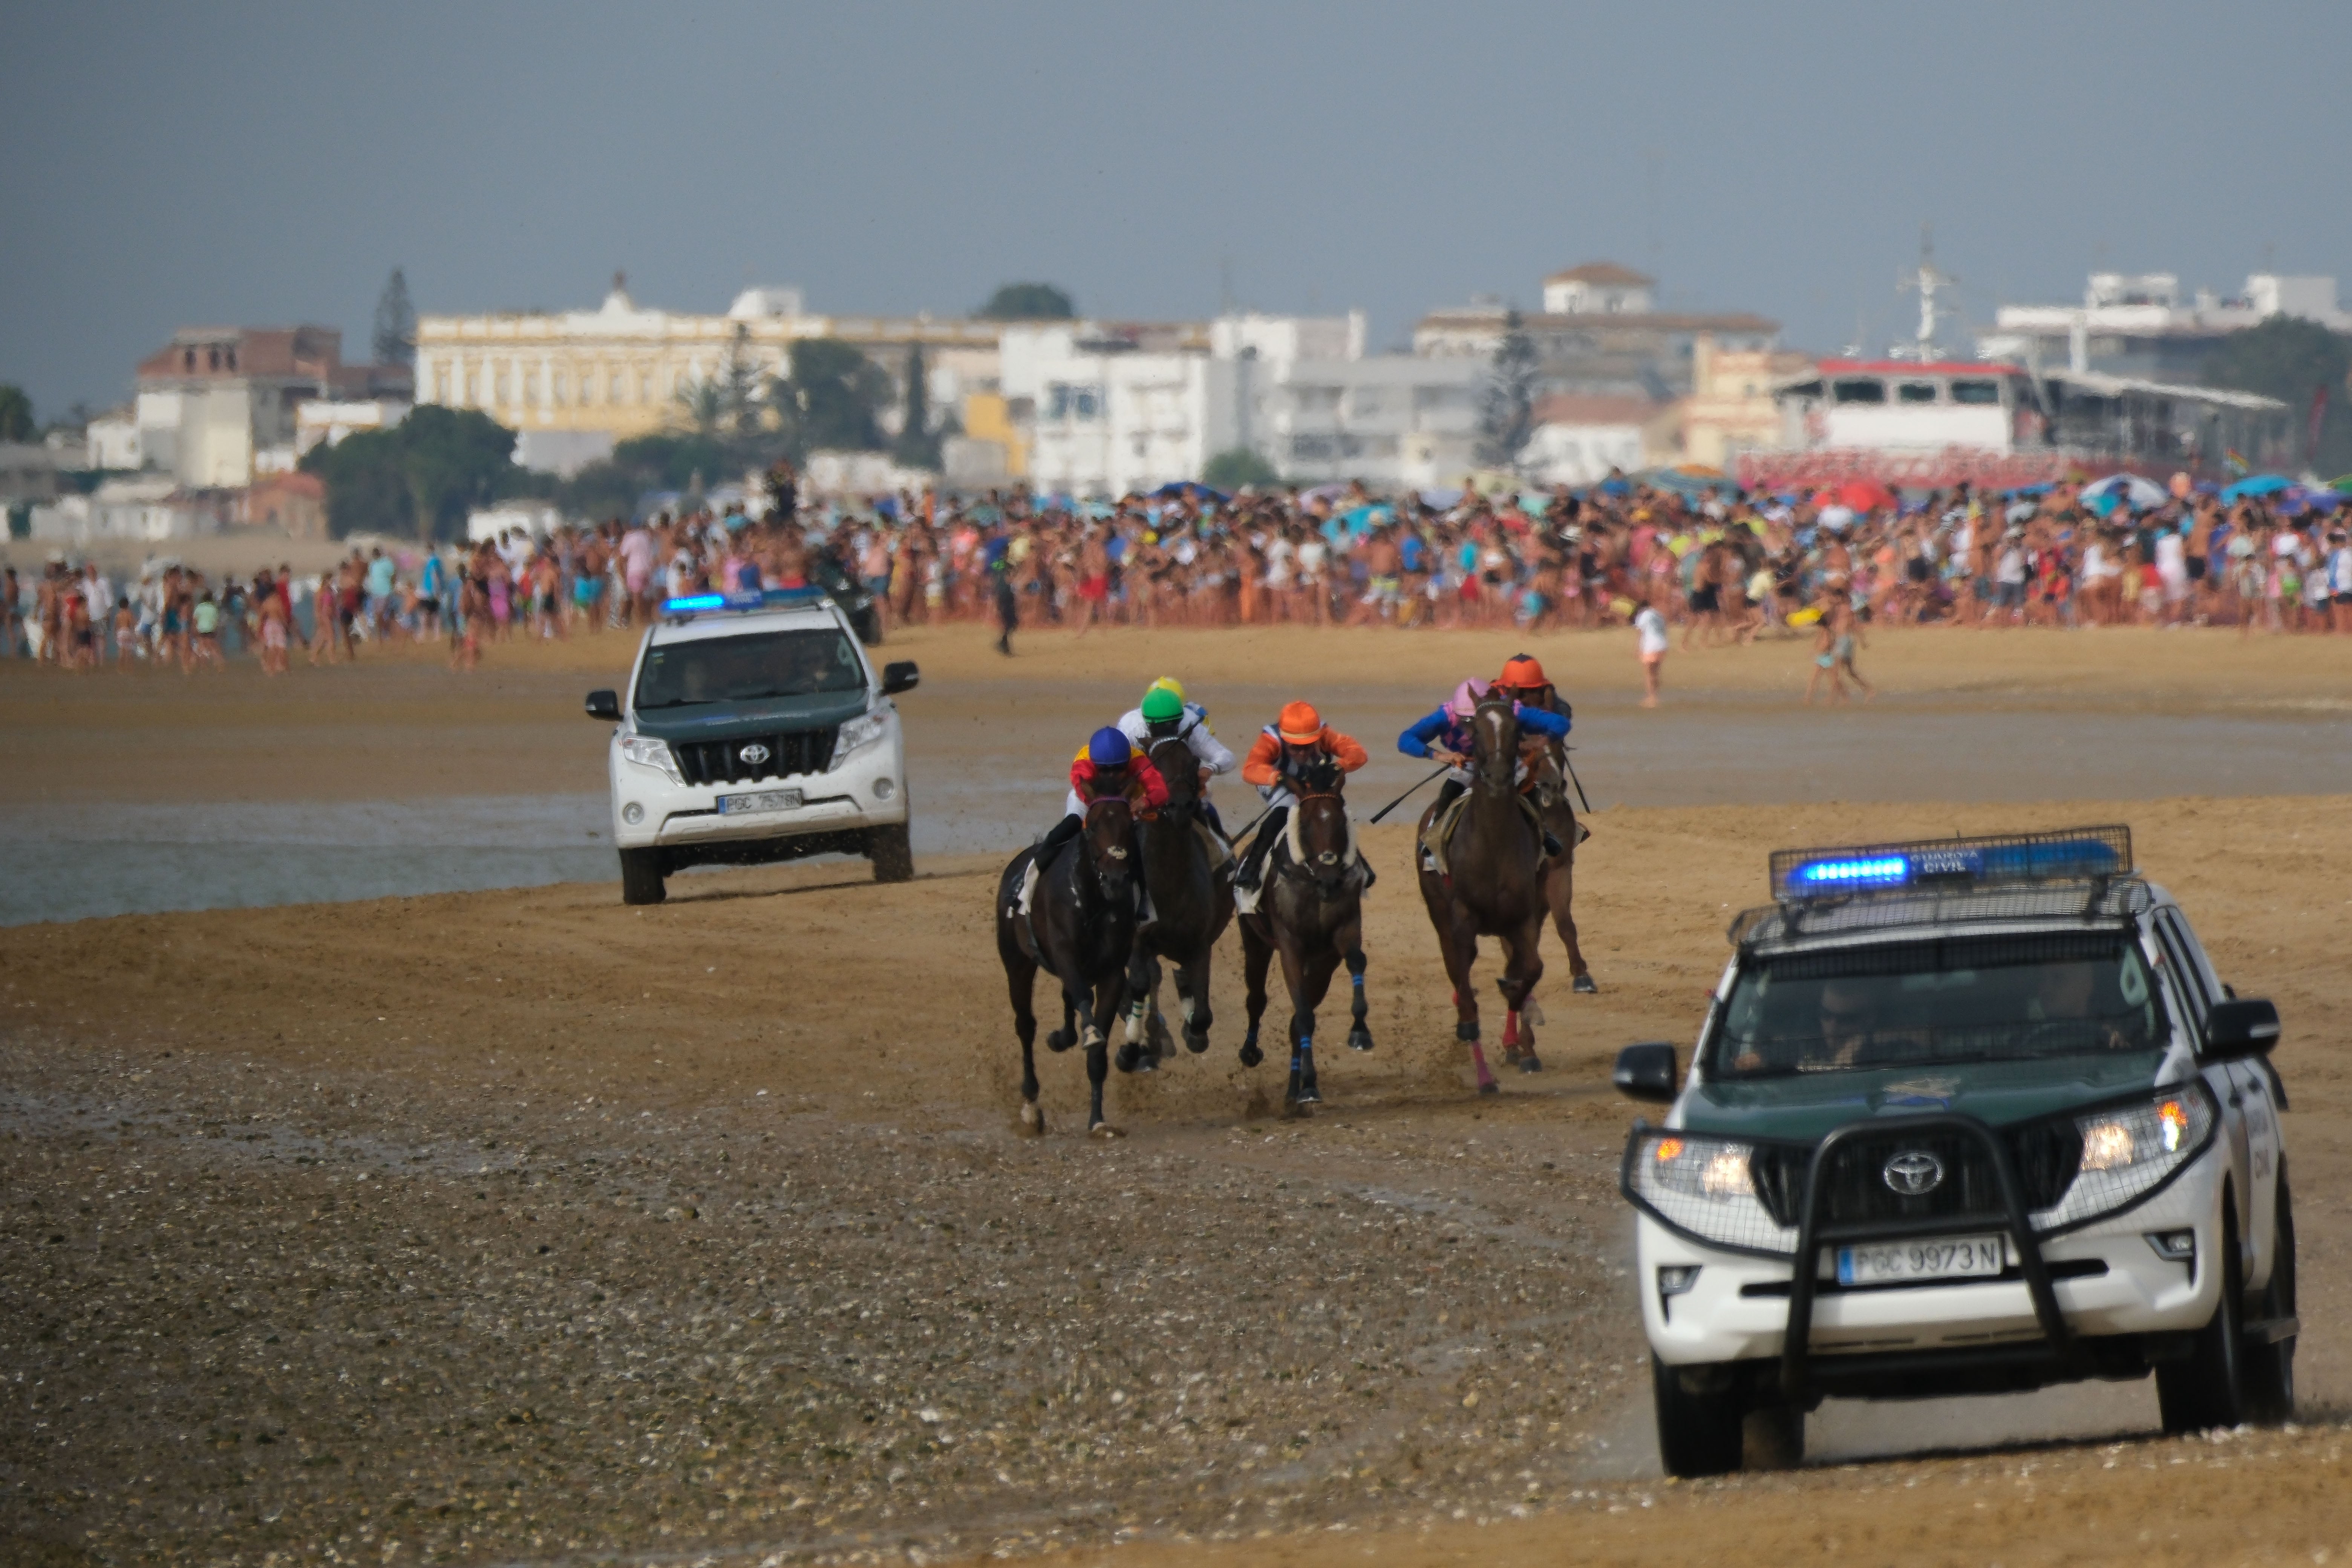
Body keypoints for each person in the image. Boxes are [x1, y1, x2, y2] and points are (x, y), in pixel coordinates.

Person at [1398, 677, 1567, 869]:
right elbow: (1405, 740)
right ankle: (1435, 835)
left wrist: (1540, 742)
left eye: (1474, 722)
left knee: (1528, 788)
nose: (1470, 730)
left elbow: (1560, 723)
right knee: (1450, 790)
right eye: (1466, 722)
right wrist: (1438, 755)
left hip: (1505, 761)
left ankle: (1543, 832)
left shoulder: (1511, 711)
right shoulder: (1445, 716)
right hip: (1468, 762)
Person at [1020, 726, 1169, 914]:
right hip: (1090, 802)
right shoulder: (1084, 759)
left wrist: (1145, 802)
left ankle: (1144, 900)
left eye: (1119, 769)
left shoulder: (1138, 759)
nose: (1112, 775)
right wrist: (1101, 807)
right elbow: (1082, 787)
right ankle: (1028, 886)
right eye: (1105, 771)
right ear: (1095, 763)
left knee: (1138, 840)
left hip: (1125, 805)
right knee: (1068, 827)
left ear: (1128, 762)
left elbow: (1160, 789)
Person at [1234, 701, 1368, 892]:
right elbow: (1250, 770)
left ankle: (1359, 862)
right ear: (1284, 739)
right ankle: (1251, 867)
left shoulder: (1325, 735)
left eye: (1308, 747)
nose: (1303, 753)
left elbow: (1358, 753)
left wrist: (1339, 766)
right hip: (1279, 784)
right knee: (1284, 811)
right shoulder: (1270, 739)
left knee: (1338, 812)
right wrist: (1279, 777)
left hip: (1313, 783)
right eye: (1295, 748)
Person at [1116, 678, 1236, 837]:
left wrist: (1210, 769)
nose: (1168, 730)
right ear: (1147, 722)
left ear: (1181, 718)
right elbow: (1118, 770)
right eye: (1160, 726)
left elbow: (1227, 757)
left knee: (1205, 803)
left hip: (1182, 788)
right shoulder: (1130, 728)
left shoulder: (1190, 722)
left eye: (1174, 724)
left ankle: (1222, 849)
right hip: (1140, 787)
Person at [1634, 600, 1668, 706]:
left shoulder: (1643, 616)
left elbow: (1640, 633)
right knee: (1656, 672)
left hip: (1650, 646)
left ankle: (1651, 698)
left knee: (1649, 673)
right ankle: (1656, 696)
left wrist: (1637, 649)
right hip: (1662, 645)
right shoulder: (1659, 615)